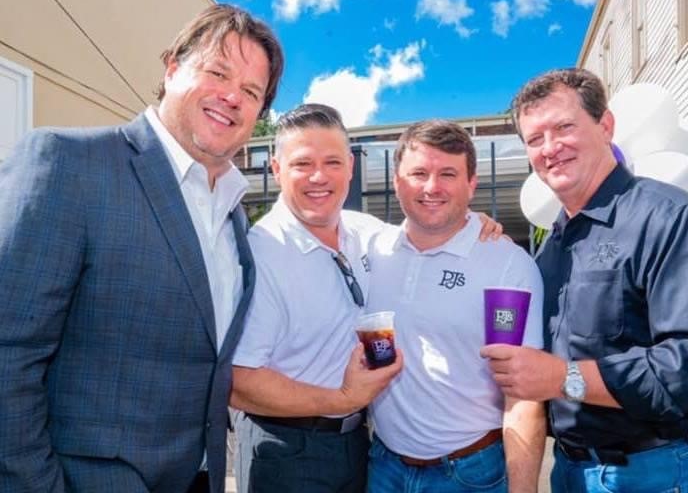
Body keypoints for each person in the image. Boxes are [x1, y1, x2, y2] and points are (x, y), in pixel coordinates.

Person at [0, 4, 283, 493]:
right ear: (172, 67)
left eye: (252, 91)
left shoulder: (233, 211)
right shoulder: (68, 163)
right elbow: (9, 354)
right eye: (218, 71)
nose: (232, 97)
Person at [230, 104, 503, 492]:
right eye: (302, 163)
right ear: (276, 169)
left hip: (360, 446)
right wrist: (340, 399)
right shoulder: (260, 255)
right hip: (286, 451)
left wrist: (473, 222)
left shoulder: (365, 232)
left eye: (333, 162)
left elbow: (427, 226)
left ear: (351, 168)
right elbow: (239, 382)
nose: (319, 177)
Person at [481, 68, 688, 492]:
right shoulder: (551, 246)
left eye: (563, 127)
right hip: (569, 471)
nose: (550, 148)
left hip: (652, 471)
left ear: (605, 125)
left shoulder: (668, 218)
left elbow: (682, 366)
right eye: (535, 139)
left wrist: (562, 378)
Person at [365, 120, 546, 493]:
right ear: (397, 181)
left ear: (471, 184)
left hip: (470, 474)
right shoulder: (371, 248)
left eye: (448, 173)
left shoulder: (502, 265)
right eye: (419, 173)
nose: (432, 187)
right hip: (383, 466)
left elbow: (522, 391)